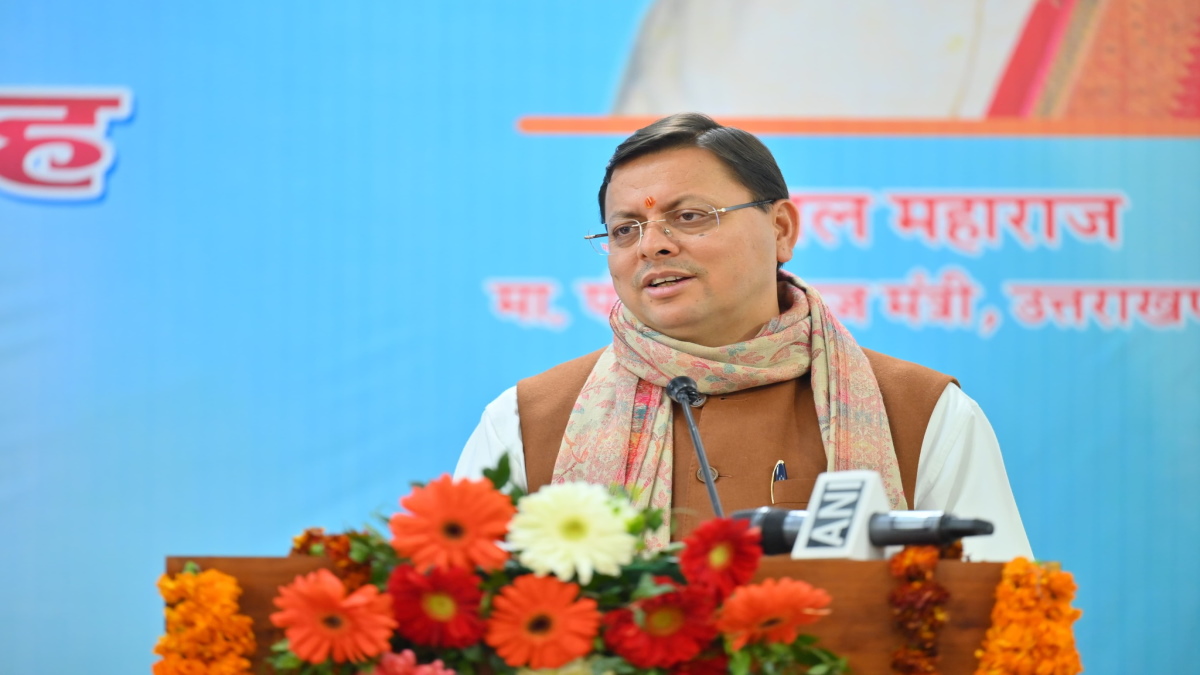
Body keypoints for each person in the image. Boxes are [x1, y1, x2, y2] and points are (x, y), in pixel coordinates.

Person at [456, 113, 1031, 562]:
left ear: (781, 229)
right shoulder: (525, 423)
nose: (652, 245)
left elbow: (1002, 629)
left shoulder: (922, 411)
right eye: (626, 229)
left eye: (690, 216)